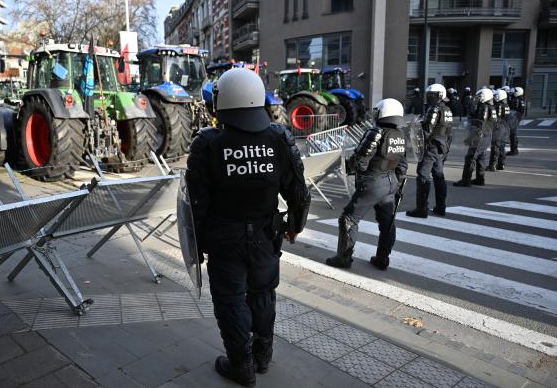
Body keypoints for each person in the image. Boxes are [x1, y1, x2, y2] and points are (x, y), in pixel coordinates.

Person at [186, 68, 311, 387]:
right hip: (267, 237)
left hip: (224, 238)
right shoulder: (278, 138)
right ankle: (263, 357)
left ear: (221, 103)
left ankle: (241, 365)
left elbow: (196, 202)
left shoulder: (208, 143)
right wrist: (295, 224)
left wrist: (196, 246)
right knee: (263, 295)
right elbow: (298, 190)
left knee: (231, 301)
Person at [326, 98, 408, 271]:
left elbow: (360, 162)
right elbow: (402, 166)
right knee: (387, 222)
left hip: (373, 182)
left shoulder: (376, 132)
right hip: (391, 182)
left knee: (348, 218)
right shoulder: (401, 135)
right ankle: (382, 258)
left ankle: (344, 258)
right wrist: (397, 187)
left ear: (383, 113)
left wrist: (349, 165)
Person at [406, 84, 453, 218]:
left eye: (432, 95)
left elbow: (427, 130)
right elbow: (447, 130)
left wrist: (418, 137)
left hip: (431, 146)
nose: (430, 97)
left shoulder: (434, 109)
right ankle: (440, 207)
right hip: (441, 146)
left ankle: (421, 209)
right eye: (429, 94)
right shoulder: (447, 109)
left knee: (423, 176)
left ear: (440, 95)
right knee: (439, 176)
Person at [454, 88, 497, 187]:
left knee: (471, 157)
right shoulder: (492, 107)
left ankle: (466, 180)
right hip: (487, 135)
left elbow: (480, 121)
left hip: (480, 135)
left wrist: (472, 117)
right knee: (481, 157)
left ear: (485, 96)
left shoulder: (484, 107)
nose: (477, 99)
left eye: (479, 96)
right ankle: (480, 179)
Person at [486, 89, 510, 171]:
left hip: (498, 127)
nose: (495, 97)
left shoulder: (498, 105)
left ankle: (492, 165)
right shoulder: (506, 105)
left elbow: (496, 118)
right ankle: (501, 164)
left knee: (495, 147)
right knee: (502, 147)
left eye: (496, 95)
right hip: (505, 127)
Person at [507, 87, 525, 156]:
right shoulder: (521, 99)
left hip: (514, 118)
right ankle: (514, 150)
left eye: (515, 91)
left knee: (513, 134)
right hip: (517, 118)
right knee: (513, 134)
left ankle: (514, 150)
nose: (513, 92)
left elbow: (512, 109)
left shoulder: (516, 100)